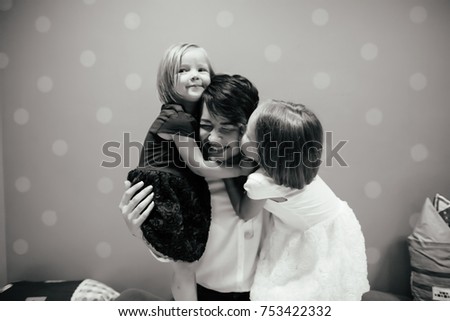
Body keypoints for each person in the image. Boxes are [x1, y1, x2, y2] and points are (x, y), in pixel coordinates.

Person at [120, 74, 263, 301]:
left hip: (261, 296)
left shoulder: (268, 170)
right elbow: (177, 250)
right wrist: (141, 231)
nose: (214, 138)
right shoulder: (188, 179)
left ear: (246, 128)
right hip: (198, 296)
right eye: (206, 125)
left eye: (226, 128)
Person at [227, 99, 370, 300]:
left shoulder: (261, 183)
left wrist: (226, 174)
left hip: (316, 240)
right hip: (338, 223)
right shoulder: (293, 165)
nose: (240, 135)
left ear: (263, 151)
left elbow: (245, 212)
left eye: (246, 134)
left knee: (299, 292)